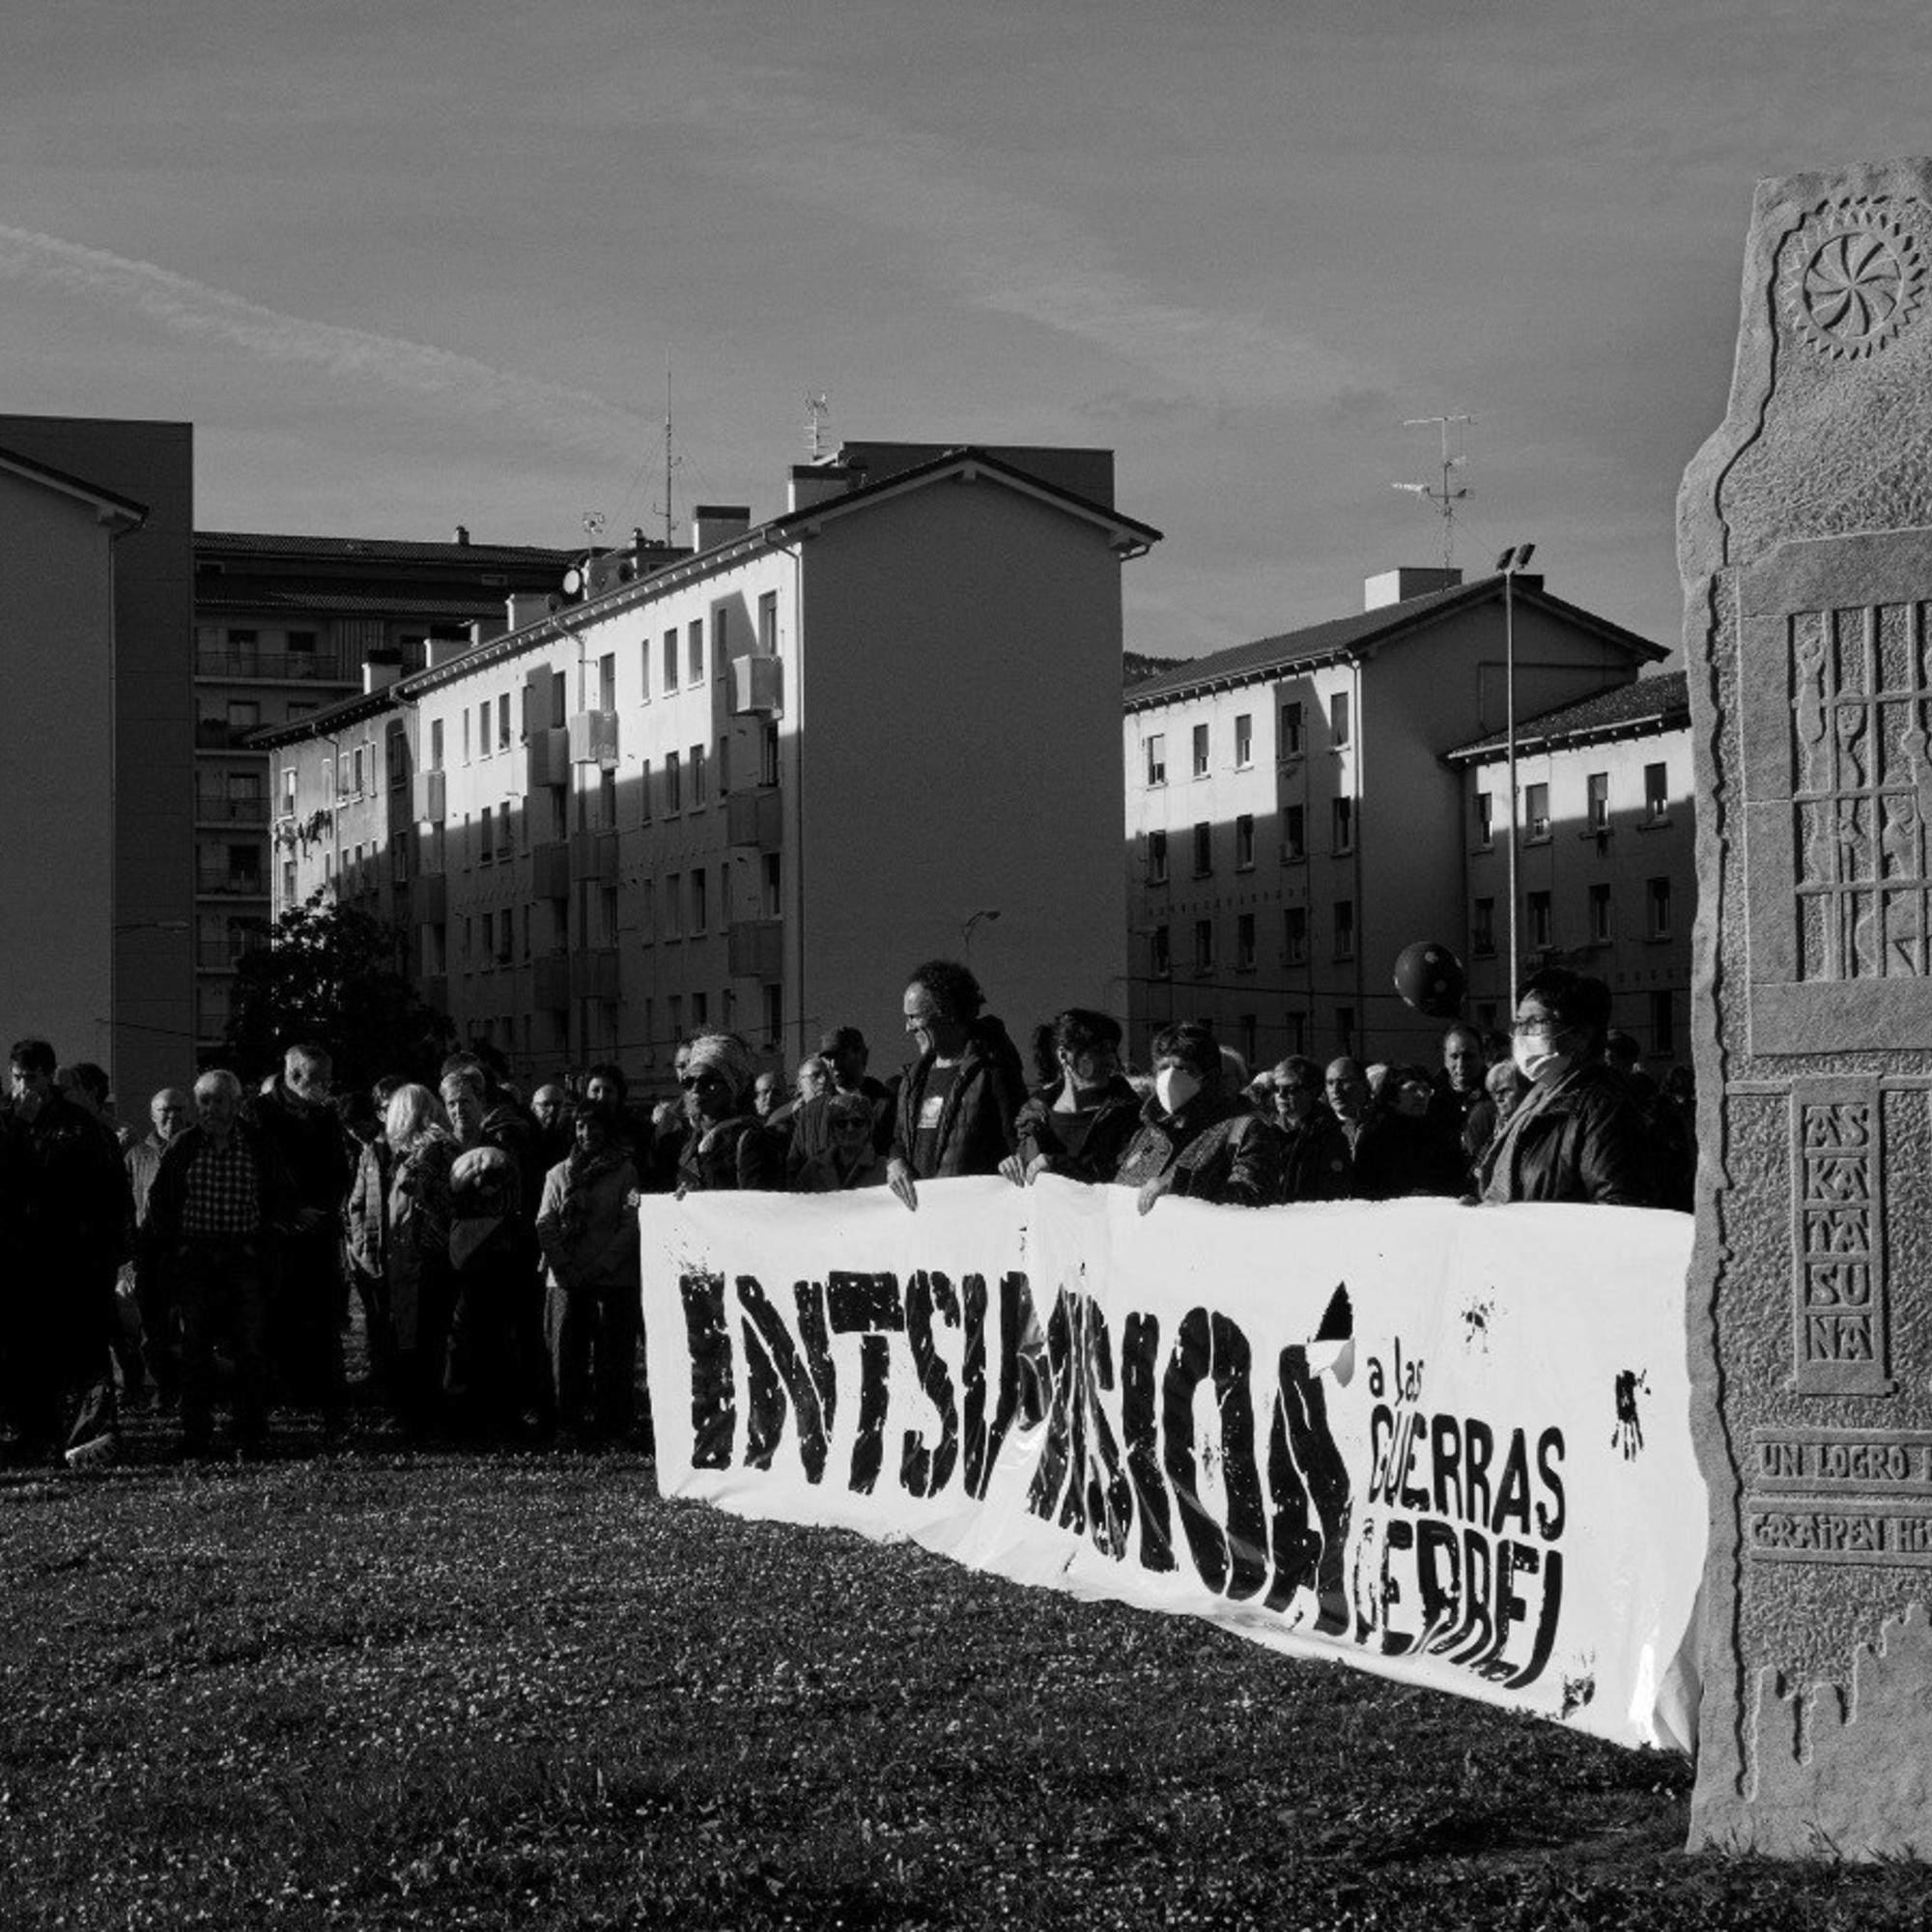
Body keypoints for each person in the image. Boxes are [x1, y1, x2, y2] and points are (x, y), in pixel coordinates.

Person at [144, 1069, 298, 1461]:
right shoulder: (184, 1145)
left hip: (242, 1258)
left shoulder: (258, 1144)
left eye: (218, 1101)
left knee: (249, 1348)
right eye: (205, 1101)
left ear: (235, 1104)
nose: (210, 1109)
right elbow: (160, 1202)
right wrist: (176, 1249)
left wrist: (263, 1243)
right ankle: (196, 1432)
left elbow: (282, 1196)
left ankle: (249, 1430)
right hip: (196, 1258)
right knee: (194, 1349)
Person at [5, 1038, 130, 1465]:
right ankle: (36, 1434)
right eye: (17, 1077)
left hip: (72, 1258)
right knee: (28, 1354)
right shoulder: (11, 1119)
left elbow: (70, 1184)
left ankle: (90, 1438)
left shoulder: (74, 1122)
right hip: (24, 1258)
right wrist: (20, 1128)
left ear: (48, 1077)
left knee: (82, 1350)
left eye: (32, 1078)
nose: (23, 1087)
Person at [1474, 968, 1657, 1206]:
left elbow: (1618, 1209)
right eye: (1519, 1023)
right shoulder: (1537, 1100)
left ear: (1582, 1033)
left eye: (1537, 1022)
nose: (1522, 1035)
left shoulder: (1604, 1108)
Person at [252, 1042, 355, 1434]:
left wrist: (323, 1209)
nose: (328, 1088)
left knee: (324, 1322)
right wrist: (288, 1214)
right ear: (296, 1077)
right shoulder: (260, 1115)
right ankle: (278, 1398)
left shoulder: (325, 1115)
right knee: (274, 1321)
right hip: (278, 1236)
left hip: (318, 1231)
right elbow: (260, 1173)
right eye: (321, 1080)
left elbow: (338, 1170)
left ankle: (329, 1402)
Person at [537, 1106, 643, 1439]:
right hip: (565, 1281)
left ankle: (612, 1424)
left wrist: (600, 1267)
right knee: (566, 1354)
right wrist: (564, 1267)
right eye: (581, 1127)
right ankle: (568, 1422)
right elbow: (545, 1224)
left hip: (611, 1280)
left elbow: (630, 1225)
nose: (587, 1134)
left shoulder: (626, 1173)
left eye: (595, 1127)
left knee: (612, 1356)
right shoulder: (557, 1175)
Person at [887, 959, 1027, 1210]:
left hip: (972, 1220)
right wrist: (895, 1162)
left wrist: (1015, 1163)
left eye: (914, 1017)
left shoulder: (993, 1070)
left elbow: (1017, 1143)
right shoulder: (911, 1081)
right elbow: (899, 1139)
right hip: (922, 1222)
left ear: (946, 1013)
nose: (907, 1028)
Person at [1114, 1021, 1284, 1213]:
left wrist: (1183, 1185)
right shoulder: (1148, 1133)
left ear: (1210, 1077)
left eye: (1183, 1069)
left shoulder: (1245, 1131)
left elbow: (1256, 1200)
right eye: (1163, 1067)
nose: (1170, 1077)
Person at [445, 1146, 539, 1441]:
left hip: (485, 1288)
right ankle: (476, 1417)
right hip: (483, 1288)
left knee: (482, 1347)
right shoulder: (502, 1226)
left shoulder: (466, 1227)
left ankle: (474, 1417)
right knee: (485, 1347)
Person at [384, 1083, 459, 1438]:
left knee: (425, 1337)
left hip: (425, 1258)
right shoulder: (430, 1150)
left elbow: (430, 1207)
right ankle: (420, 1410)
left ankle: (422, 1413)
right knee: (423, 1335)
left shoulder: (428, 1154)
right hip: (422, 1256)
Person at [1003, 1009, 1141, 1186]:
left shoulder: (1128, 1114)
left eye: (1112, 1051)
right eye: (1099, 1050)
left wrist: (1062, 1167)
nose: (1112, 1061)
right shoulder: (1033, 1118)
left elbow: (1131, 1175)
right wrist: (1012, 1166)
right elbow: (1026, 1174)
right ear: (1063, 1055)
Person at [123, 1087, 193, 1408]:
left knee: (186, 1328)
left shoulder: (196, 1150)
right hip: (147, 1256)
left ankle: (185, 1391)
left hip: (189, 1254)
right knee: (150, 1330)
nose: (172, 1116)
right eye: (165, 1110)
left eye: (178, 1109)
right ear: (152, 1114)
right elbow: (125, 1209)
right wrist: (125, 1264)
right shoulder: (137, 1156)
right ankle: (155, 1391)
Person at [344, 1075, 405, 1388]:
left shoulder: (414, 1149)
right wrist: (359, 1245)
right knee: (378, 1319)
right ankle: (383, 1376)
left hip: (403, 1251)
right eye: (384, 1108)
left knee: (399, 1322)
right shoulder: (372, 1150)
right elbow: (357, 1202)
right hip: (374, 1249)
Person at [674, 1035, 784, 1192]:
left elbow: (759, 1208)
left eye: (706, 1081)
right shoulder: (691, 1142)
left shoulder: (750, 1139)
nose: (696, 1089)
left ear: (732, 1086)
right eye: (689, 1082)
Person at [1268, 1056, 1351, 1203]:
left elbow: (1335, 1194)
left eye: (1291, 1089)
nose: (1281, 1095)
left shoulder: (1329, 1137)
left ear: (1313, 1092)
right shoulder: (1266, 1132)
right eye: (1276, 1088)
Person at [790, 1090, 892, 1191]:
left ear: (869, 1127)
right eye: (841, 1124)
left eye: (857, 1122)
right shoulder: (814, 1168)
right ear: (832, 1130)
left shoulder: (885, 1169)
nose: (850, 1129)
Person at [1427, 1025, 1490, 1141]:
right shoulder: (1430, 1096)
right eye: (1454, 1057)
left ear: (1482, 1056)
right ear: (1445, 1059)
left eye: (1468, 1056)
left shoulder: (1495, 1092)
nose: (1461, 1064)